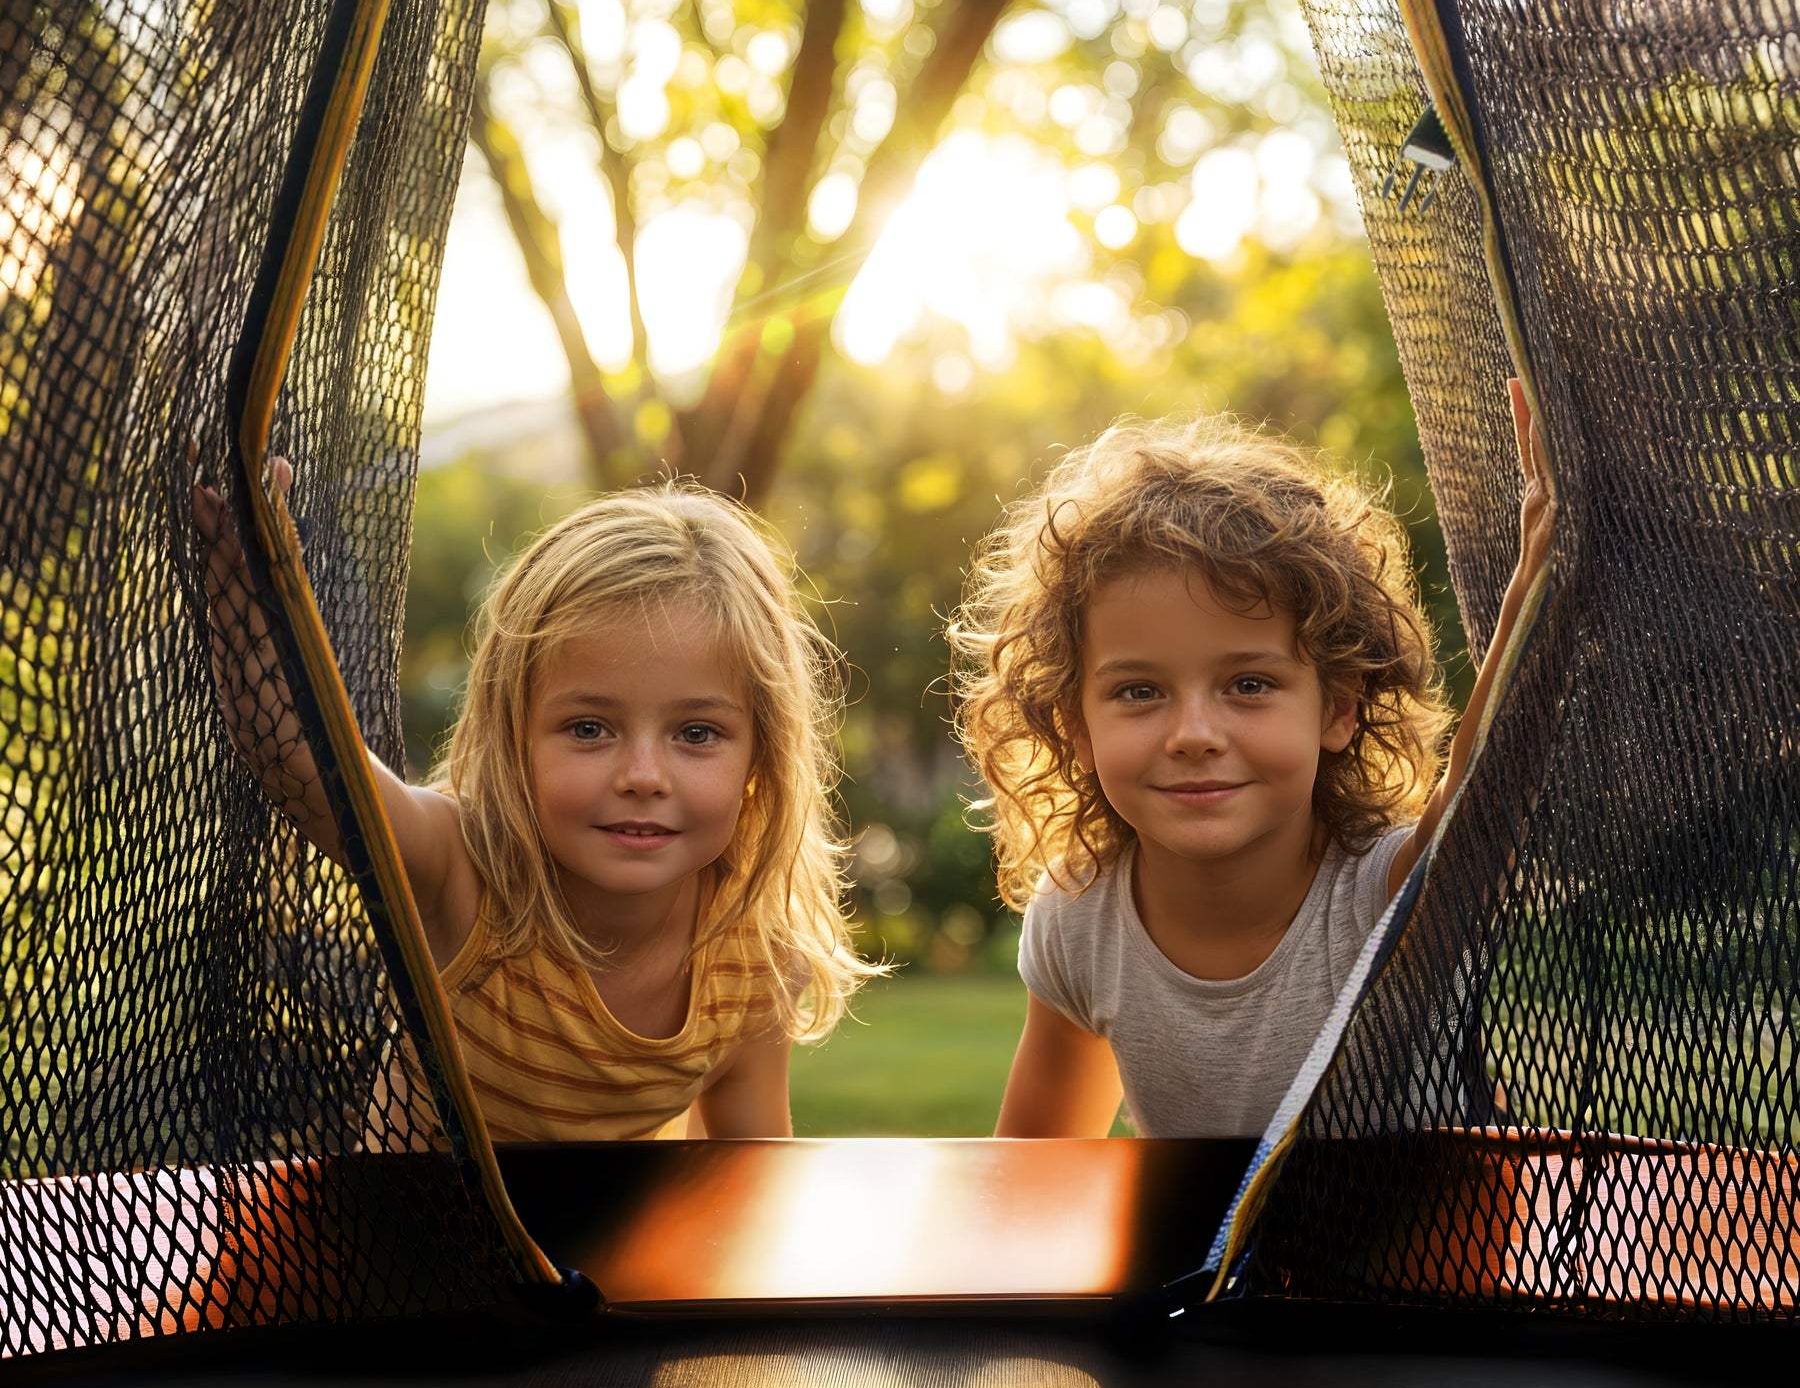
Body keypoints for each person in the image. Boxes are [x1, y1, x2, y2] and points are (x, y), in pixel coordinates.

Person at [191, 468, 870, 1141]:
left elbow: (747, 1174)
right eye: (589, 729)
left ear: (761, 757)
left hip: (589, 1249)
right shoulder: (462, 871)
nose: (642, 776)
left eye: (696, 734)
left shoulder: (753, 959)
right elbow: (299, 761)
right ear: (513, 736)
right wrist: (250, 605)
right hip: (415, 1237)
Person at [951, 380, 1553, 1138]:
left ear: (1338, 707)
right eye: (1139, 691)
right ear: (1077, 725)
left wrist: (1540, 585)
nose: (1194, 733)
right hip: (1220, 1261)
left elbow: (1487, 789)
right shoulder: (1081, 920)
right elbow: (1034, 1178)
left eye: (1248, 684)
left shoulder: (1382, 897)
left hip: (1416, 1254)